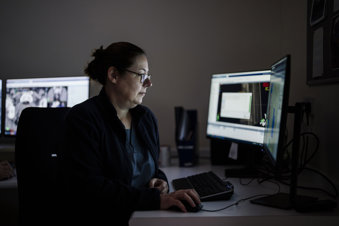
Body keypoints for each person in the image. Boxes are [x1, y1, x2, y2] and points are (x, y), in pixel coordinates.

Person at [61, 42, 200, 225]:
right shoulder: (83, 119)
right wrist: (156, 200)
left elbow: (149, 169)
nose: (149, 83)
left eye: (148, 76)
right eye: (141, 75)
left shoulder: (146, 118)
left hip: (146, 216)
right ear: (114, 75)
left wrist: (160, 181)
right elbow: (91, 189)